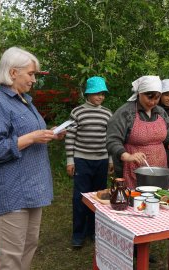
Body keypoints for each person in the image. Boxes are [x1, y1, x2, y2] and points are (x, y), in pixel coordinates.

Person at [0, 46, 66, 269]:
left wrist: (50, 133)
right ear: (13, 72)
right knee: (9, 257)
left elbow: (27, 134)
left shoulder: (24, 100)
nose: (34, 79)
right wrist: (32, 138)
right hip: (11, 192)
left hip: (32, 190)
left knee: (27, 247)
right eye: (31, 73)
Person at [106, 75, 169, 189]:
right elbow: (112, 140)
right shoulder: (126, 113)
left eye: (157, 98)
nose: (153, 102)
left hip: (159, 169)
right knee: (135, 203)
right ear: (140, 93)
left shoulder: (161, 112)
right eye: (149, 97)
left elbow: (168, 136)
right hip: (132, 170)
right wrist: (127, 156)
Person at [65, 76, 113, 247]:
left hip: (101, 161)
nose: (100, 97)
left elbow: (110, 139)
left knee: (98, 198)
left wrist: (110, 159)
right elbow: (70, 136)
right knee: (80, 197)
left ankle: (94, 231)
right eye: (97, 93)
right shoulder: (77, 112)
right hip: (82, 160)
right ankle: (78, 234)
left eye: (103, 94)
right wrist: (70, 160)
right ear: (88, 93)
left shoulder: (107, 113)